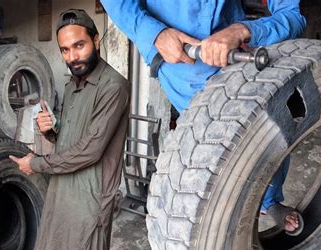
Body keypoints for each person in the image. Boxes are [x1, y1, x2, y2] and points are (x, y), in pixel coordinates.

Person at [101, 0, 306, 235]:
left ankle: (269, 201)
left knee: (268, 132)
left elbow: (292, 14)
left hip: (236, 55)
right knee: (214, 157)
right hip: (180, 63)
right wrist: (155, 33)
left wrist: (242, 30)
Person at [10, 9, 131, 250]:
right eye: (65, 50)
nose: (72, 57)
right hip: (62, 191)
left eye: (79, 45)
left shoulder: (113, 86)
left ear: (96, 41)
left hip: (90, 199)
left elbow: (90, 150)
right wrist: (50, 132)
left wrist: (36, 163)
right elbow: (69, 140)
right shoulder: (71, 85)